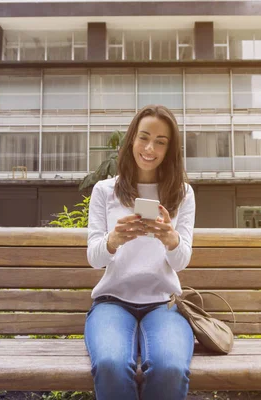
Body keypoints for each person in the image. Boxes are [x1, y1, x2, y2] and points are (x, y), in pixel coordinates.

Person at [85, 104, 196, 400]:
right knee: (110, 363)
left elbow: (181, 261)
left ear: (170, 150)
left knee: (170, 367)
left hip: (163, 304)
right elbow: (95, 258)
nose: (150, 148)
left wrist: (171, 239)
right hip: (112, 302)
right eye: (144, 137)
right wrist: (113, 240)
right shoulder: (105, 191)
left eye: (161, 142)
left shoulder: (182, 193)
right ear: (131, 139)